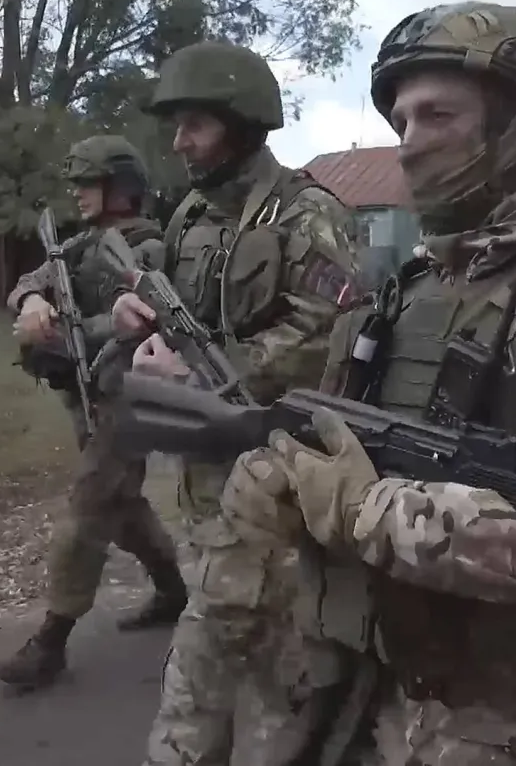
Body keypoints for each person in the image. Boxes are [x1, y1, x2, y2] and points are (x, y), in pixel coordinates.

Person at [218, 2, 516, 765]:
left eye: (436, 115)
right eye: (401, 120)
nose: (407, 145)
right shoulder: (410, 290)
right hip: (381, 692)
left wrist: (371, 511)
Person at [109, 40, 365, 765]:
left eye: (196, 124)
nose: (180, 142)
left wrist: (223, 375)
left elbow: (329, 328)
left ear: (244, 123)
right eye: (178, 126)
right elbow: (172, 301)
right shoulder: (191, 214)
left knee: (276, 675)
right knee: (215, 652)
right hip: (201, 478)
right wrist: (139, 318)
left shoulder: (308, 213)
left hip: (281, 482)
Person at [0, 135, 188, 691]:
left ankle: (51, 642)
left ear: (121, 186)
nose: (78, 193)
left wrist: (77, 329)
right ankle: (174, 591)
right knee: (120, 504)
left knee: (89, 507)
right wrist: (32, 301)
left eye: (89, 182)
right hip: (86, 395)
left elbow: (148, 321)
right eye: (76, 182)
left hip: (128, 398)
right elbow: (38, 278)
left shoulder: (145, 248)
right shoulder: (79, 243)